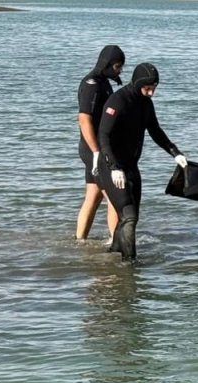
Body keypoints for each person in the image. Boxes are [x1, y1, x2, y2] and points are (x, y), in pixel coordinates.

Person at [97, 62, 187, 262]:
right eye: (148, 88)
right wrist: (113, 167)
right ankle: (130, 264)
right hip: (111, 167)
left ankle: (113, 255)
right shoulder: (117, 102)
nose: (151, 93)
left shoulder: (146, 104)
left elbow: (155, 131)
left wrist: (175, 152)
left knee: (130, 218)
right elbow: (103, 136)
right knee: (129, 216)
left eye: (154, 89)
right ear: (138, 83)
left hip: (131, 167)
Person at [75, 45, 125, 242]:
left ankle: (80, 241)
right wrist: (96, 153)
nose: (119, 71)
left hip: (96, 149)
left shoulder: (104, 82)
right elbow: (84, 119)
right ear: (106, 64)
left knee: (93, 196)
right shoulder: (92, 85)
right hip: (93, 149)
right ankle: (116, 242)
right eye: (117, 67)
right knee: (114, 198)